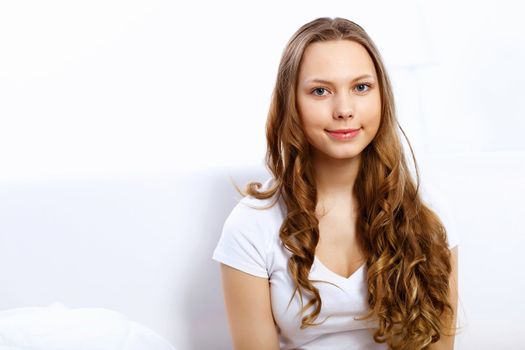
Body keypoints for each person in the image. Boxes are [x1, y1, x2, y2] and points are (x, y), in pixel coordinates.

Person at [212, 17, 459, 350]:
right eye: (320, 91)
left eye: (360, 87)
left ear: (382, 97)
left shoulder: (426, 213)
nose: (344, 109)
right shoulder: (251, 225)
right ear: (292, 104)